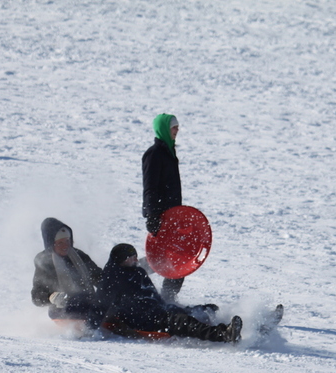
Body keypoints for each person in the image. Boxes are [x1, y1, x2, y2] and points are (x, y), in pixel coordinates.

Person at [97, 243, 242, 343]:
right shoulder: (111, 279)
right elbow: (101, 303)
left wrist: (174, 256)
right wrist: (91, 327)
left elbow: (153, 263)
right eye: (131, 257)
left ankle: (247, 327)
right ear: (120, 260)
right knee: (184, 322)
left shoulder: (136, 269)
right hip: (143, 320)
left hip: (159, 309)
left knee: (207, 309)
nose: (135, 258)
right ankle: (224, 334)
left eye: (135, 255)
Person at [142, 113, 184, 302]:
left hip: (172, 216)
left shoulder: (169, 152)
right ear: (164, 129)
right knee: (174, 257)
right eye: (173, 127)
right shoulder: (154, 154)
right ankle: (130, 272)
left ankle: (167, 298)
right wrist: (152, 215)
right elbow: (150, 187)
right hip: (160, 216)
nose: (177, 130)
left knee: (174, 257)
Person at [31, 217, 104, 328]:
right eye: (60, 243)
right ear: (51, 244)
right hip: (63, 307)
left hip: (88, 302)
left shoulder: (79, 255)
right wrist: (51, 297)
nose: (65, 246)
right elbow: (36, 296)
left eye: (67, 241)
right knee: (77, 309)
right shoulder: (44, 261)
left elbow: (97, 276)